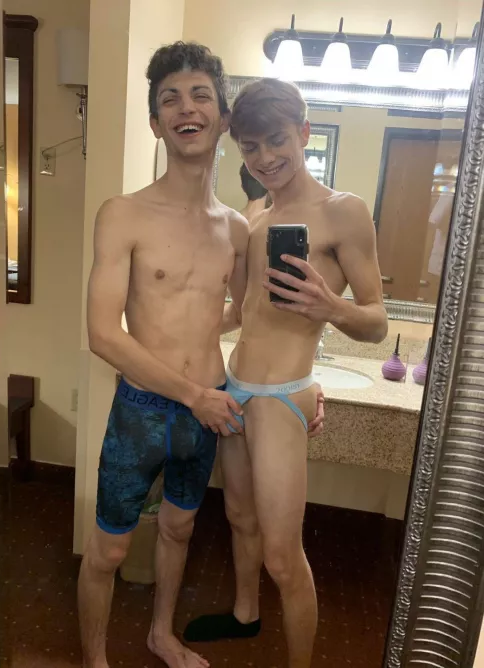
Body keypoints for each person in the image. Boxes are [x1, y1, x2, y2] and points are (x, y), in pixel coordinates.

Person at [78, 46, 324, 668]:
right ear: (156, 123)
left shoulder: (238, 229)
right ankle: (95, 658)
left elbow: (256, 316)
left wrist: (303, 381)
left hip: (206, 410)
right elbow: (103, 334)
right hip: (143, 410)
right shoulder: (123, 213)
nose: (186, 108)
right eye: (170, 99)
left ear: (222, 119)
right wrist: (193, 395)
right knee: (108, 551)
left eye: (200, 96)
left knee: (180, 529)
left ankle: (161, 635)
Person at [184, 78, 388, 668]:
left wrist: (332, 308)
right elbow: (245, 311)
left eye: (276, 140)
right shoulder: (255, 216)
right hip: (236, 388)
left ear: (304, 133)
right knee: (238, 518)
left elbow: (376, 320)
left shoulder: (343, 211)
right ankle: (245, 614)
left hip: (280, 397)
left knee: (282, 555)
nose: (265, 157)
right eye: (250, 147)